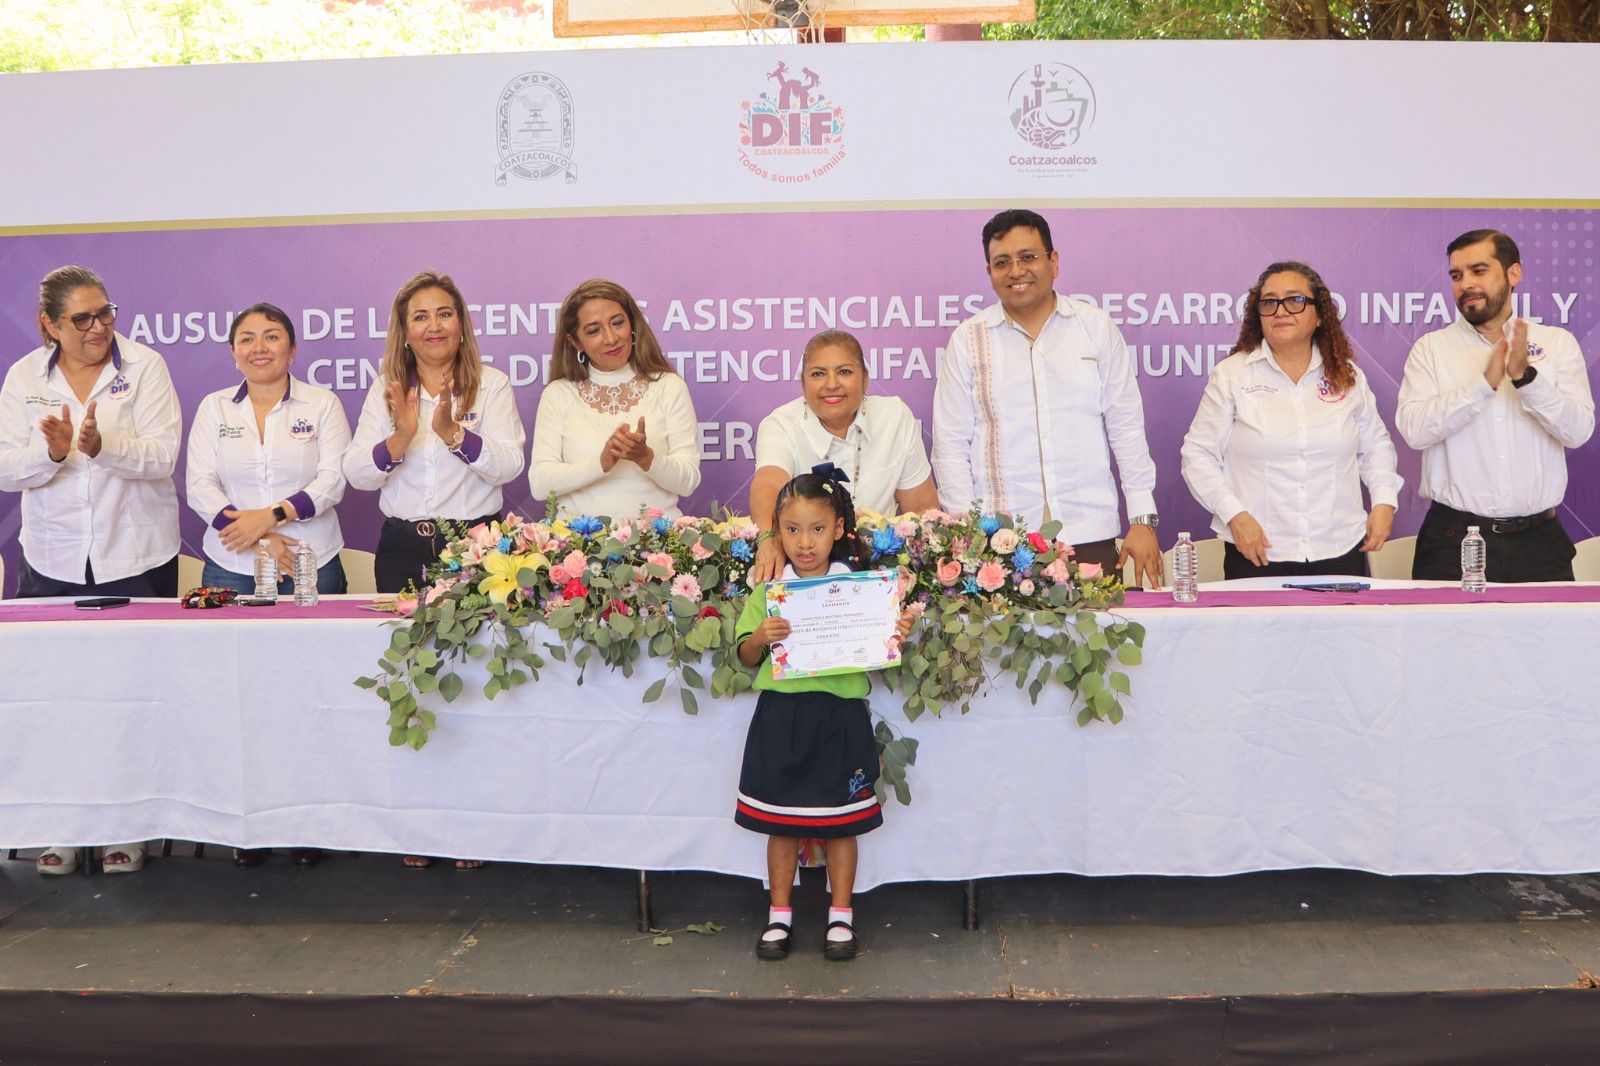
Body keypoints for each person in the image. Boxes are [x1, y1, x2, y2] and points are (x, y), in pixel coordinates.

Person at [0, 265, 182, 876]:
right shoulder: (24, 377)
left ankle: (127, 827)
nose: (98, 327)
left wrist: (106, 448)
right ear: (48, 324)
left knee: (130, 696)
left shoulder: (146, 366)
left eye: (105, 313)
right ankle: (63, 823)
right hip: (51, 559)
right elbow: (5, 468)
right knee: (56, 695)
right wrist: (52, 452)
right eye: (81, 319)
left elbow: (163, 456)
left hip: (135, 556)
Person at [734, 466, 914, 962]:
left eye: (817, 529)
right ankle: (779, 915)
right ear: (777, 531)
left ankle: (841, 916)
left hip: (839, 719)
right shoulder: (769, 592)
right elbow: (745, 656)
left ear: (838, 529)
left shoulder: (860, 590)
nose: (805, 542)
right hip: (781, 718)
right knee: (781, 822)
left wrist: (894, 632)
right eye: (792, 529)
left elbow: (880, 652)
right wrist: (760, 637)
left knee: (842, 822)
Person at [931, 209, 1163, 587]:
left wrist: (1142, 520)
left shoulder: (1094, 328)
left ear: (1053, 262)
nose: (1016, 271)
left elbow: (1127, 428)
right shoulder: (969, 340)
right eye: (1002, 262)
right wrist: (967, 535)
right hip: (1001, 546)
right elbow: (950, 447)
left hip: (1089, 534)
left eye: (1028, 257)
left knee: (1099, 627)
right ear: (989, 272)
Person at [1180, 262, 1402, 580]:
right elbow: (1198, 454)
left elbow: (1376, 446)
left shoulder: (1347, 374)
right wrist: (1234, 515)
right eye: (1269, 302)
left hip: (1339, 548)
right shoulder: (1232, 374)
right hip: (1257, 551)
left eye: (1295, 300)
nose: (1281, 311)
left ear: (1320, 314)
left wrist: (1383, 502)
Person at [1396, 230, 1594, 582]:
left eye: (1479, 270)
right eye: (1456, 275)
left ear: (1513, 273)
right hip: (1452, 540)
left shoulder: (1557, 343)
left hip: (1540, 543)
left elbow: (1578, 431)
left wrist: (1526, 379)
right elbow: (1415, 431)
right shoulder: (1431, 349)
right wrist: (1482, 387)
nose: (1466, 284)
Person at [345, 271, 527, 598]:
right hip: (401, 552)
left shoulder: (492, 384)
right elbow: (357, 474)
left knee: (481, 633)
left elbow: (510, 466)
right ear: (405, 333)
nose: (434, 326)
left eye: (444, 314)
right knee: (402, 633)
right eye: (420, 317)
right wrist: (401, 438)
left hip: (476, 547)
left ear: (461, 326)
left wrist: (454, 434)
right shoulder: (387, 388)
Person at [186, 302, 351, 597]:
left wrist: (271, 516)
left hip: (308, 560)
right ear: (234, 352)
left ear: (292, 349)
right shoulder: (214, 407)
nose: (259, 348)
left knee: (315, 631)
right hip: (231, 562)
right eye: (247, 339)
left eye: (271, 337)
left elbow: (333, 481)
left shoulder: (323, 404)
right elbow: (200, 486)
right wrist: (257, 538)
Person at [748, 329, 938, 583]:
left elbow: (922, 509)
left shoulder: (895, 416)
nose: (831, 384)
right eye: (818, 374)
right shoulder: (781, 424)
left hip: (882, 570)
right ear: (803, 384)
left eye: (844, 372)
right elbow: (767, 484)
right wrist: (768, 539)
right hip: (804, 574)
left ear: (865, 379)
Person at [528, 278, 701, 521]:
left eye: (618, 323)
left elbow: (688, 481)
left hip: (658, 541)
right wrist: (602, 463)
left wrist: (645, 457)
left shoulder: (669, 387)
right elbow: (540, 485)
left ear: (632, 325)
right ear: (576, 342)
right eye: (594, 331)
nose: (611, 338)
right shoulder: (558, 394)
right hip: (578, 541)